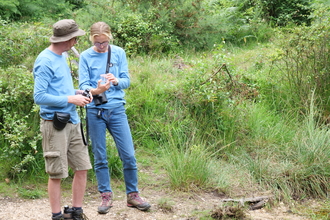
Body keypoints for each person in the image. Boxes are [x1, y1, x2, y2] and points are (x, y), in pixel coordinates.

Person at [78, 21, 151, 214]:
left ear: (110, 38)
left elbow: (126, 80)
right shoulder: (85, 56)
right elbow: (83, 85)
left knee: (128, 154)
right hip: (95, 110)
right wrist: (96, 89)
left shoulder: (119, 52)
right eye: (98, 43)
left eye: (104, 42)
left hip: (117, 109)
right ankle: (105, 195)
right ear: (91, 39)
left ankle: (133, 195)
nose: (101, 46)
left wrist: (116, 80)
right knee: (100, 156)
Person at [33, 19, 93, 220]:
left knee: (82, 167)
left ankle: (76, 212)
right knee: (57, 173)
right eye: (75, 38)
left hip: (73, 121)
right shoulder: (45, 60)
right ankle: (57, 216)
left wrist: (78, 93)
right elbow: (39, 97)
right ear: (67, 39)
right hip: (54, 124)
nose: (76, 41)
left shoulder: (63, 55)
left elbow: (58, 88)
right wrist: (70, 98)